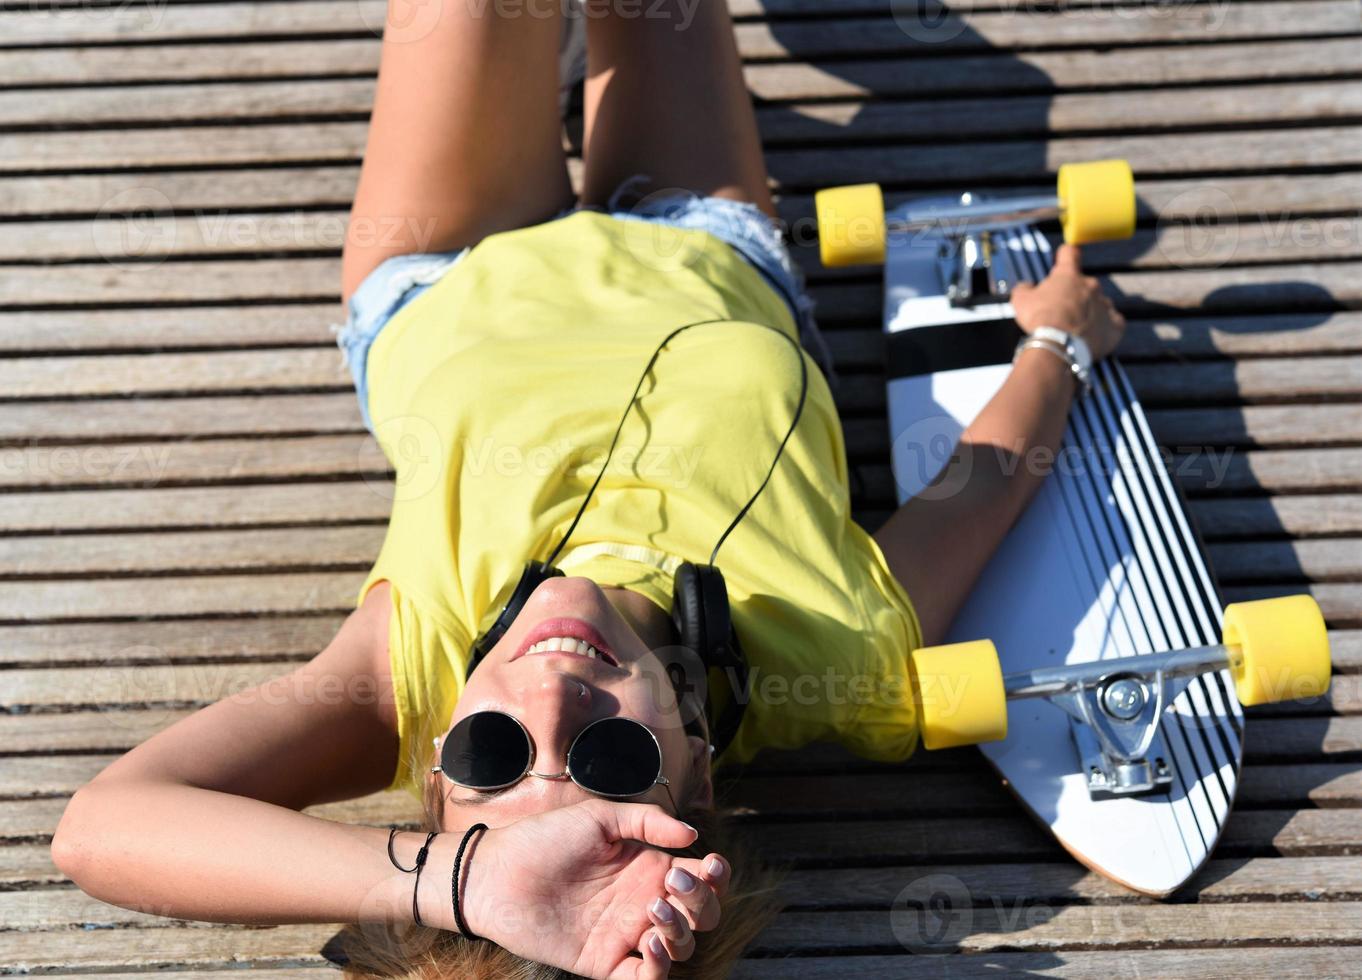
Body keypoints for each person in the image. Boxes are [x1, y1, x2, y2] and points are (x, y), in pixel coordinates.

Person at [49, 0, 1125, 976]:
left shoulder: (401, 668)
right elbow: (984, 482)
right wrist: (1058, 342)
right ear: (697, 769)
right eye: (613, 756)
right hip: (705, 243)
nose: (555, 697)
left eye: (492, 753)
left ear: (433, 774)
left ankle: (535, 57)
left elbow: (104, 825)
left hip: (449, 263)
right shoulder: (838, 650)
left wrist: (462, 883)